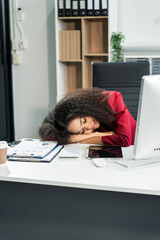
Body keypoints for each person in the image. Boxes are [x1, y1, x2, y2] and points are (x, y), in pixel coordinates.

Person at [38, 87, 136, 147]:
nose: (89, 127)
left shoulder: (111, 99)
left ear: (83, 108)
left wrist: (81, 137)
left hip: (136, 147)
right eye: (83, 132)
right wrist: (76, 137)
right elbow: (53, 137)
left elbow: (124, 140)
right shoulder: (75, 128)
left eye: (84, 121)